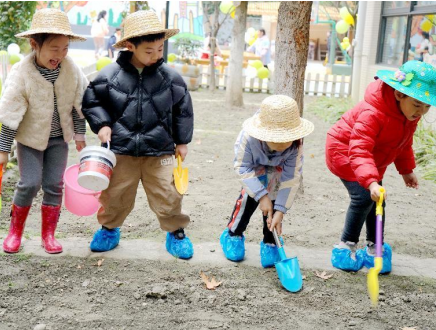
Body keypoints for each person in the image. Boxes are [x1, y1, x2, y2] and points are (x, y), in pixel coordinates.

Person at [82, 10, 194, 259]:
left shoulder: (171, 79)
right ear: (131, 46)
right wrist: (102, 125)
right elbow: (91, 101)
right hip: (121, 151)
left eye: (160, 50)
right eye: (149, 51)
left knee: (169, 193)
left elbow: (183, 111)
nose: (156, 56)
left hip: (161, 149)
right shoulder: (110, 76)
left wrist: (182, 141)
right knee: (114, 194)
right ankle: (109, 229)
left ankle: (175, 232)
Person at [326, 60, 434, 273]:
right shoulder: (373, 113)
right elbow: (359, 150)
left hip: (372, 158)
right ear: (399, 94)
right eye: (417, 104)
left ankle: (374, 247)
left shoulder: (409, 114)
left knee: (378, 198)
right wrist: (371, 181)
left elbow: (404, 143)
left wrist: (406, 171)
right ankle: (344, 247)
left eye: (427, 106)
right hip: (345, 152)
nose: (421, 111)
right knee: (364, 197)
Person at [0, 9, 88, 254]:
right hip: (29, 140)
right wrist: (3, 150)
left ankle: (48, 234)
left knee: (54, 184)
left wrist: (79, 135)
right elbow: (9, 115)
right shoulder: (22, 74)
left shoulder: (71, 70)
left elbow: (78, 104)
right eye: (54, 48)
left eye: (65, 48)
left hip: (59, 140)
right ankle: (15, 232)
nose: (60, 55)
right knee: (29, 183)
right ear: (34, 44)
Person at [220, 95, 314, 267]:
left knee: (274, 207)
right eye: (276, 141)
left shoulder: (296, 145)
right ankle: (233, 234)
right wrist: (261, 195)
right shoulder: (248, 138)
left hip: (278, 176)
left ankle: (270, 242)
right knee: (247, 203)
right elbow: (242, 167)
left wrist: (280, 210)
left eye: (286, 140)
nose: (282, 145)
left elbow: (291, 178)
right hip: (253, 174)